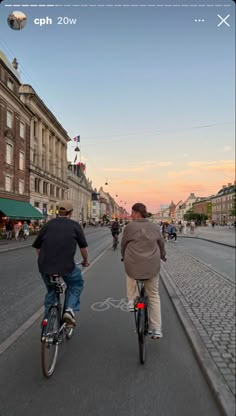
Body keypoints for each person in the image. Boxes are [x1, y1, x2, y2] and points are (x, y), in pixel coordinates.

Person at [32, 200, 89, 327]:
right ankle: (69, 310)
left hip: (45, 267)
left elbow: (37, 247)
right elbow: (83, 248)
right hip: (66, 267)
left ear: (58, 211)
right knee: (76, 284)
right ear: (70, 212)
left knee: (51, 291)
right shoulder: (75, 226)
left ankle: (47, 323)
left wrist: (44, 259)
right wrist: (85, 261)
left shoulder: (48, 224)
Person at [121, 202, 166, 339]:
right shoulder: (154, 226)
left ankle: (131, 301)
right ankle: (156, 329)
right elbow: (161, 244)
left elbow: (123, 244)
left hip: (133, 264)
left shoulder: (130, 227)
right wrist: (163, 256)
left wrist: (123, 256)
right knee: (153, 296)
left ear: (136, 212)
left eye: (132, 212)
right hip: (151, 265)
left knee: (130, 274)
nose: (131, 215)